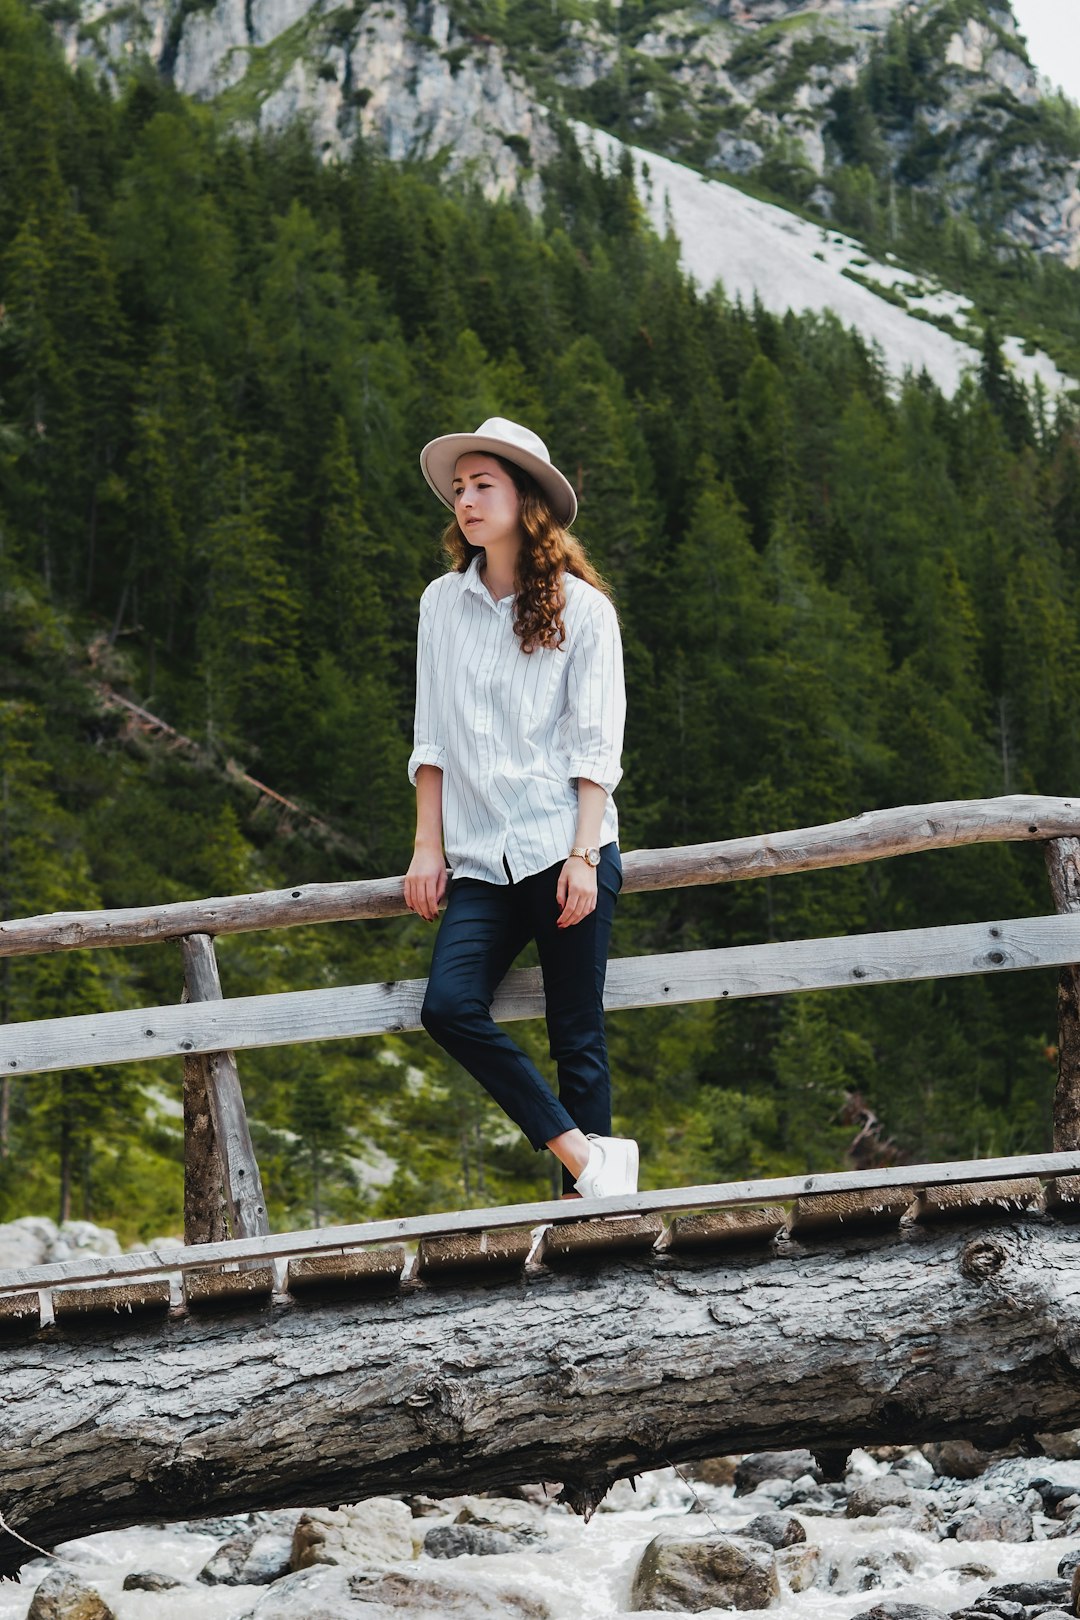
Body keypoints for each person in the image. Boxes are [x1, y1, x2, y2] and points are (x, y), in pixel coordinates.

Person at [403, 417, 638, 1201]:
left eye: (484, 485)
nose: (466, 501)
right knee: (448, 1007)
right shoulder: (442, 604)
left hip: (562, 848)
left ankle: (587, 1220)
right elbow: (430, 736)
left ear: (525, 499)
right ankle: (589, 1161)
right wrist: (425, 847)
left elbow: (595, 747)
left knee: (578, 1037)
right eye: (460, 488)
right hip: (477, 859)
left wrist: (581, 855)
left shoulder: (585, 610)